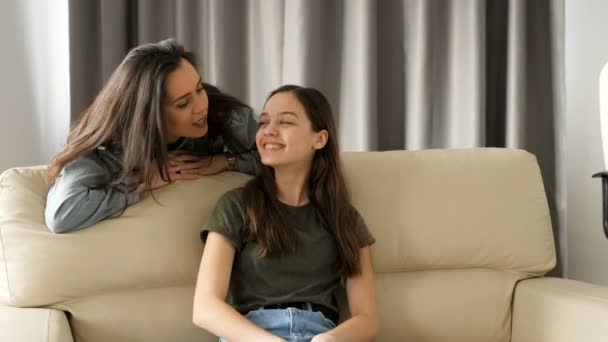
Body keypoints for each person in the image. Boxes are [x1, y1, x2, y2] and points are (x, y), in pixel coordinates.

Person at [193, 85, 379, 342]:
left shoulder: (344, 218)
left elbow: (367, 319)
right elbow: (205, 308)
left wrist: (329, 340)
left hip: (321, 334)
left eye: (285, 122)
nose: (268, 130)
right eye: (264, 122)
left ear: (319, 139)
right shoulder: (235, 206)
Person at [45, 39, 258, 234]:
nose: (202, 106)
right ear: (150, 113)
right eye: (183, 103)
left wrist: (226, 162)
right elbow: (62, 215)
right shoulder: (108, 148)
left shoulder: (225, 118)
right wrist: (141, 181)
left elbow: (288, 158)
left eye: (199, 89)